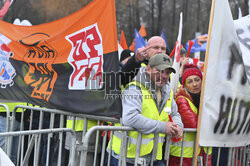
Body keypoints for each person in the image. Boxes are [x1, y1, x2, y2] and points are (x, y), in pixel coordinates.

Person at [108, 53, 183, 165]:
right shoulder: (134, 88)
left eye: (167, 72)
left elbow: (174, 113)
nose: (163, 75)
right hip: (126, 157)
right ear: (148, 69)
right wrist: (163, 127)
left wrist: (178, 125)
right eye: (159, 71)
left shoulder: (167, 91)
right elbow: (131, 118)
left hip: (153, 157)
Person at [169, 64, 212, 166]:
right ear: (184, 85)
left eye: (197, 80)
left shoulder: (206, 99)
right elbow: (194, 124)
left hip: (202, 154)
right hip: (183, 156)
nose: (195, 84)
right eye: (190, 81)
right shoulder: (181, 100)